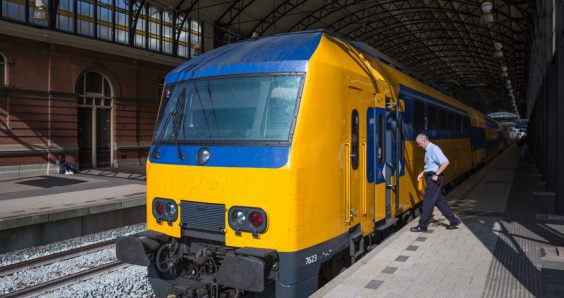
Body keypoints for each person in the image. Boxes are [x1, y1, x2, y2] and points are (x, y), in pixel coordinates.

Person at [410, 134, 461, 232]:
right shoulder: (428, 150)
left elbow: (445, 162)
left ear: (424, 141)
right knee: (439, 201)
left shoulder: (434, 149)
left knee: (427, 201)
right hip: (431, 176)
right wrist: (422, 173)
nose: (419, 146)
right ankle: (454, 221)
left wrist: (436, 174)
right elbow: (430, 165)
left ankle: (422, 225)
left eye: (419, 144)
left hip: (434, 178)